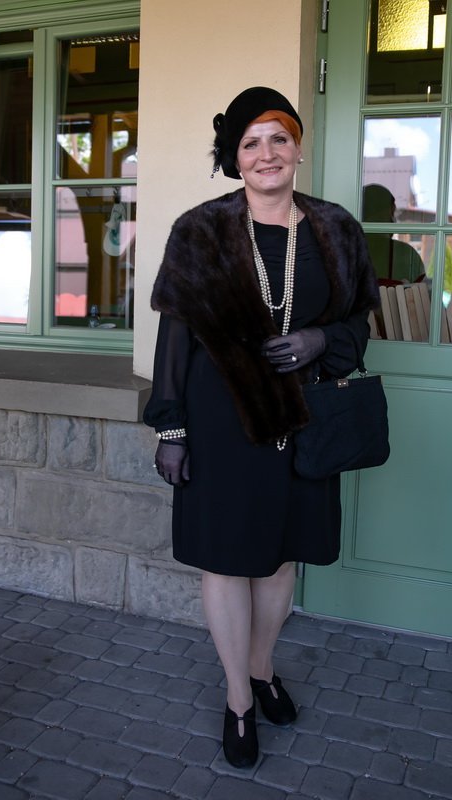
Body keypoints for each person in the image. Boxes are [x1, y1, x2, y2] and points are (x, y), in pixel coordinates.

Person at [143, 86, 380, 768]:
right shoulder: (200, 230)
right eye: (250, 142)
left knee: (281, 555)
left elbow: (358, 324)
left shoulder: (337, 228)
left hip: (305, 420)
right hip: (221, 423)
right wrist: (171, 429)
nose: (266, 153)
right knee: (226, 559)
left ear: (298, 148)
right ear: (234, 157)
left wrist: (321, 341)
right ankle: (238, 698)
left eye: (279, 138)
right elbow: (175, 337)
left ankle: (262, 667)